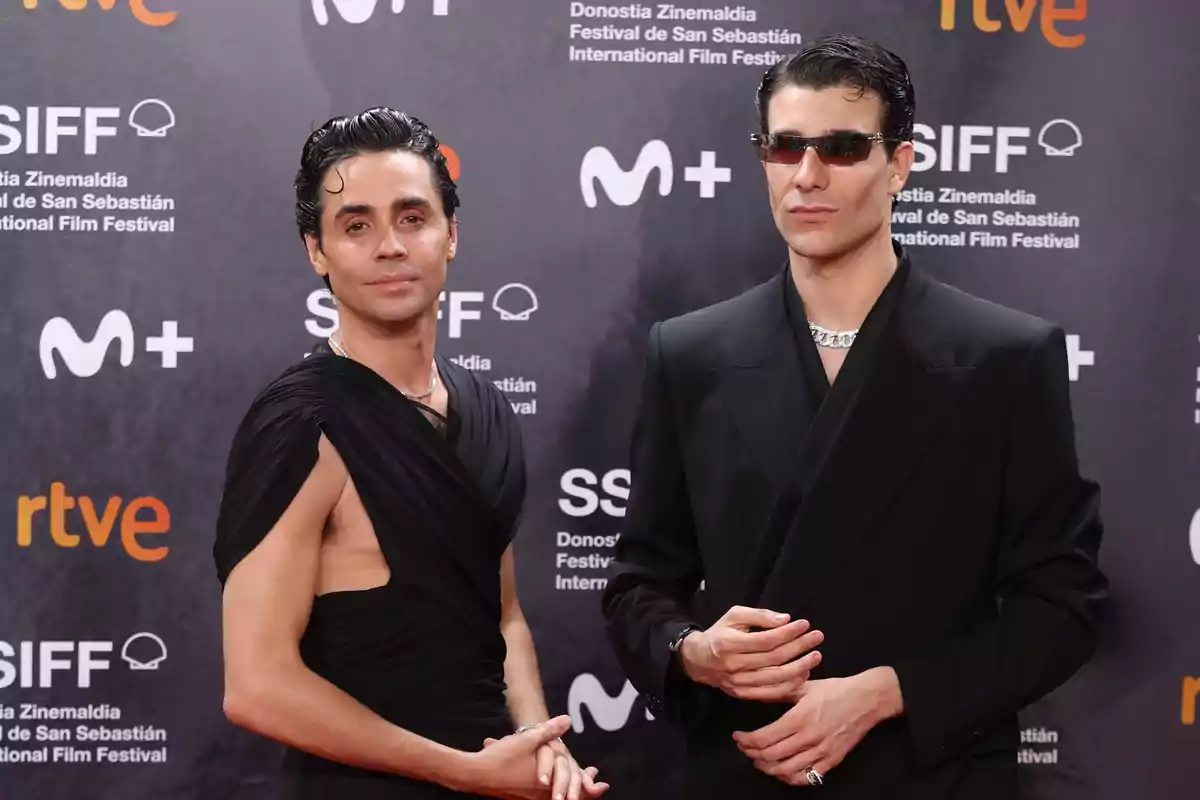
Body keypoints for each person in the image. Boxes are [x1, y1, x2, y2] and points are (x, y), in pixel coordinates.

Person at [601, 34, 1107, 799]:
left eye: (840, 148)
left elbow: (1062, 609)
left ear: (898, 163)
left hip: (936, 776)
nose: (806, 177)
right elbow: (641, 581)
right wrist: (691, 651)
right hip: (744, 768)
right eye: (784, 147)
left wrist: (886, 692)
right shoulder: (689, 353)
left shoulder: (1007, 357)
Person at [214, 107, 609, 800]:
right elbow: (257, 685)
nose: (390, 246)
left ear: (451, 234)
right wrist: (464, 774)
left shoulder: (485, 407)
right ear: (317, 250)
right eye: (356, 225)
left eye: (413, 217)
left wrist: (543, 749)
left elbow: (504, 614)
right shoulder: (300, 425)